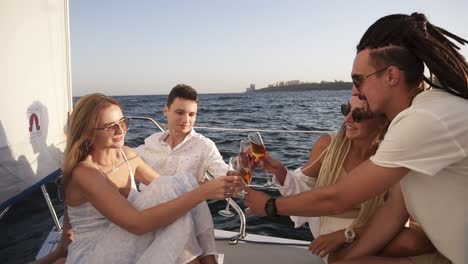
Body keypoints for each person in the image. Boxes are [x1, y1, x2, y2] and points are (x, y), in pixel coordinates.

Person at [245, 12, 468, 264]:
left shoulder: (423, 119)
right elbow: (393, 211)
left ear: (392, 76)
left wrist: (271, 206)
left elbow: (337, 197)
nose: (356, 91)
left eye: (358, 80)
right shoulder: (419, 115)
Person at [61, 93, 240, 264]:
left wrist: (213, 186)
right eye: (111, 127)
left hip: (125, 242)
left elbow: (170, 186)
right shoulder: (86, 173)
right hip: (96, 255)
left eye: (122, 122)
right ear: (88, 133)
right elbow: (137, 224)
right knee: (180, 189)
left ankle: (208, 259)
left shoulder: (127, 155)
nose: (121, 130)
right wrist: (202, 193)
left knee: (179, 183)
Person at [257, 96, 433, 262]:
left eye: (357, 114)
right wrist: (280, 172)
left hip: (375, 233)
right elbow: (305, 190)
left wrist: (348, 234)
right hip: (331, 237)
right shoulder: (329, 145)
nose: (347, 119)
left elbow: (395, 214)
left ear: (382, 121)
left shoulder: (395, 155)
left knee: (412, 241)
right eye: (346, 109)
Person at [135, 84, 227, 181]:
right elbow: (125, 159)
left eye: (191, 114)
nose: (186, 120)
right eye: (180, 113)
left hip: (186, 196)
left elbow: (225, 175)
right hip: (145, 195)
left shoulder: (205, 146)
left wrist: (241, 168)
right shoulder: (153, 141)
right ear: (166, 111)